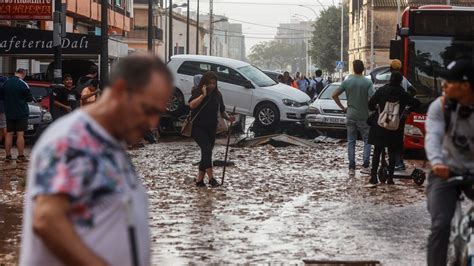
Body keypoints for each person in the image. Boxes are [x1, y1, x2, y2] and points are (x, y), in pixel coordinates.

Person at [20, 53, 173, 266]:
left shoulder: (110, 144)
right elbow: (47, 220)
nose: (153, 122)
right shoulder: (72, 140)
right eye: (148, 110)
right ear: (120, 92)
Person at [425, 59, 474, 266]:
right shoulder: (440, 106)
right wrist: (436, 163)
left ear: (465, 86)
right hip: (445, 172)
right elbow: (433, 137)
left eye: (449, 81)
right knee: (441, 225)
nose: (443, 84)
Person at [367, 71, 420, 185]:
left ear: (390, 79)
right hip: (395, 127)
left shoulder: (381, 90)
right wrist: (406, 111)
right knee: (392, 152)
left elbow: (370, 104)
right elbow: (416, 103)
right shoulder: (403, 94)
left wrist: (377, 109)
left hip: (380, 125)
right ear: (401, 81)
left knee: (377, 151)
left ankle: (373, 177)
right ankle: (390, 178)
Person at [189, 72, 235, 187]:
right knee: (207, 150)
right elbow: (192, 105)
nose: (212, 86)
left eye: (214, 83)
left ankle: (199, 180)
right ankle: (211, 179)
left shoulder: (218, 95)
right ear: (204, 83)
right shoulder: (198, 92)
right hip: (198, 128)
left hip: (211, 128)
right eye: (209, 83)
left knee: (206, 153)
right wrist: (203, 95)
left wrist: (229, 118)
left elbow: (222, 110)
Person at [332, 60, 375, 176]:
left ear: (353, 68)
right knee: (367, 140)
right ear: (363, 69)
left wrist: (343, 108)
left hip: (350, 115)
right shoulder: (367, 82)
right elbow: (373, 98)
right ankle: (366, 165)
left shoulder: (347, 81)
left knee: (351, 142)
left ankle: (351, 167)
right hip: (364, 116)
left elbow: (334, 95)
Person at [0, 68, 32, 163]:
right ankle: (21, 156)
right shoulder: (23, 84)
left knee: (9, 134)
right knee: (20, 134)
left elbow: (2, 96)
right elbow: (29, 98)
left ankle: (8, 156)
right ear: (23, 74)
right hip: (21, 112)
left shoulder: (6, 83)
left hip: (9, 112)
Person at [389, 59, 416, 171]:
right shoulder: (404, 79)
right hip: (402, 113)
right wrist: (406, 105)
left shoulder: (392, 80)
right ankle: (398, 162)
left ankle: (395, 163)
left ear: (391, 68)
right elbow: (413, 90)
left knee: (391, 139)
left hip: (391, 113)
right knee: (399, 138)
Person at [0, 76, 7, 148]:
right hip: (3, 108)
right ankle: (6, 142)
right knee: (4, 126)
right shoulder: (5, 86)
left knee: (1, 127)